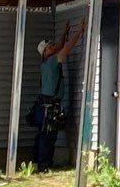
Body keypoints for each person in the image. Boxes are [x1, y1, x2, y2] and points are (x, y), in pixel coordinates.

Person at [30, 21, 82, 171]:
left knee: (42, 134)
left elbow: (60, 46)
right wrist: (79, 31)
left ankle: (37, 162)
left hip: (42, 104)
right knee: (48, 135)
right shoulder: (53, 60)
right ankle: (44, 165)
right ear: (45, 52)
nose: (54, 47)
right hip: (49, 104)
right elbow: (67, 47)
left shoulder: (45, 63)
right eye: (50, 47)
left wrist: (65, 32)